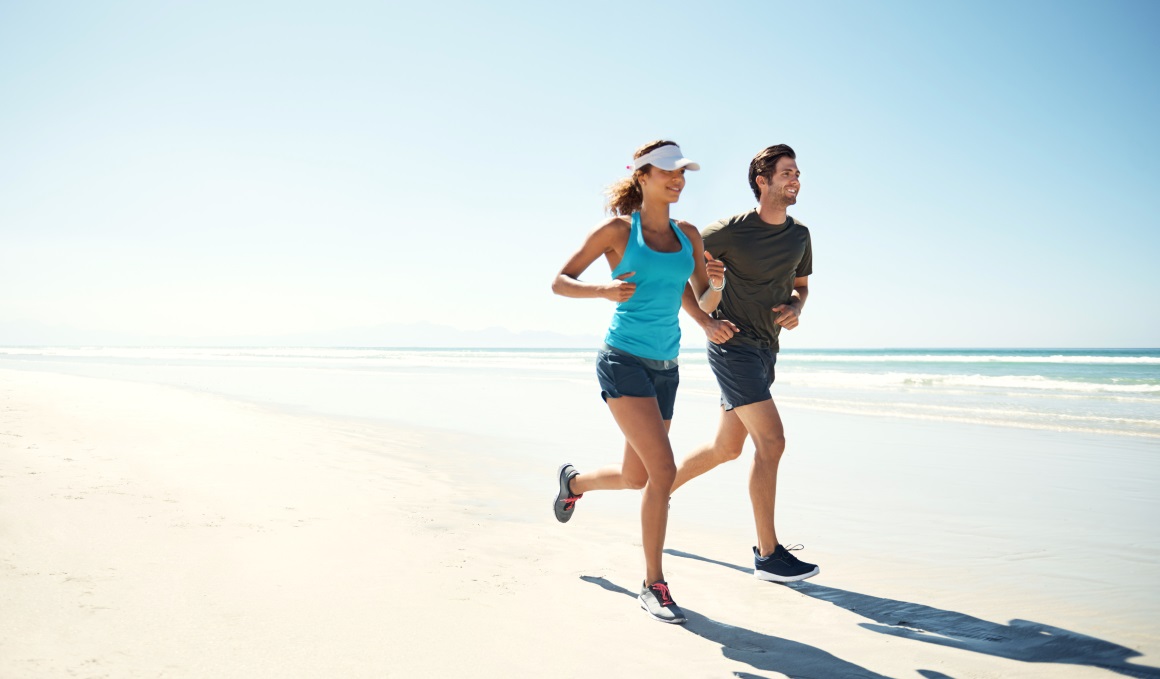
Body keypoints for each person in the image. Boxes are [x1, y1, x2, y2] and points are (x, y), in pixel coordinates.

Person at [550, 140, 735, 624]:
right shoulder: (617, 230)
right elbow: (561, 280)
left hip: (665, 368)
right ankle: (654, 584)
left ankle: (574, 482)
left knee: (637, 477)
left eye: (683, 173)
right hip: (622, 359)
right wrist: (602, 289)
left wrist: (713, 292)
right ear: (642, 175)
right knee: (663, 471)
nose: (678, 179)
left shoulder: (688, 234)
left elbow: (698, 301)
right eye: (668, 171)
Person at [677, 143, 820, 583]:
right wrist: (703, 321)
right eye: (787, 173)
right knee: (772, 443)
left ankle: (658, 491)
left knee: (727, 448)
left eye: (797, 173)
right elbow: (678, 270)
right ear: (762, 181)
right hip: (732, 346)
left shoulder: (800, 235)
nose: (795, 179)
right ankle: (768, 554)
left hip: (765, 350)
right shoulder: (728, 231)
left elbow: (801, 287)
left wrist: (797, 307)